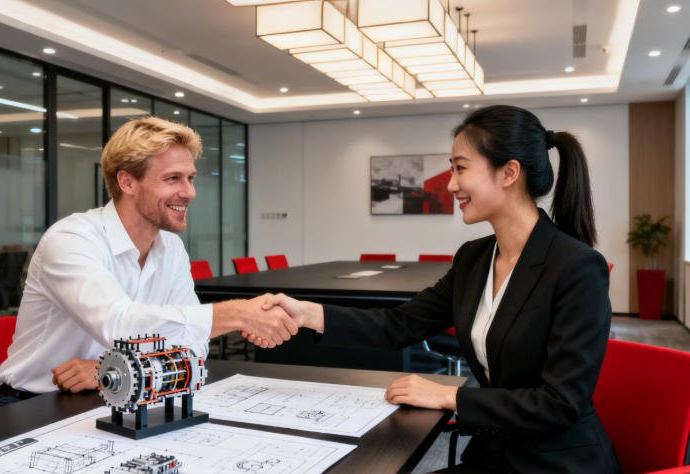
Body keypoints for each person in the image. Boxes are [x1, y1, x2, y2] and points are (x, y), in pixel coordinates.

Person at [255, 105, 620, 472]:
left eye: (461, 168)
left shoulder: (577, 268)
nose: (450, 184)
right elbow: (398, 324)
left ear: (509, 172)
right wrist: (308, 314)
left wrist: (449, 396)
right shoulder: (473, 259)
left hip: (556, 463)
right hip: (495, 455)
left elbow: (560, 404)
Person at [0, 117, 296, 408]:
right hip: (32, 403)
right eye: (173, 178)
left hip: (121, 392)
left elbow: (194, 349)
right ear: (127, 182)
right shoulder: (71, 239)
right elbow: (121, 324)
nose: (189, 192)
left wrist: (113, 370)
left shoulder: (171, 248)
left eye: (190, 178)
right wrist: (238, 313)